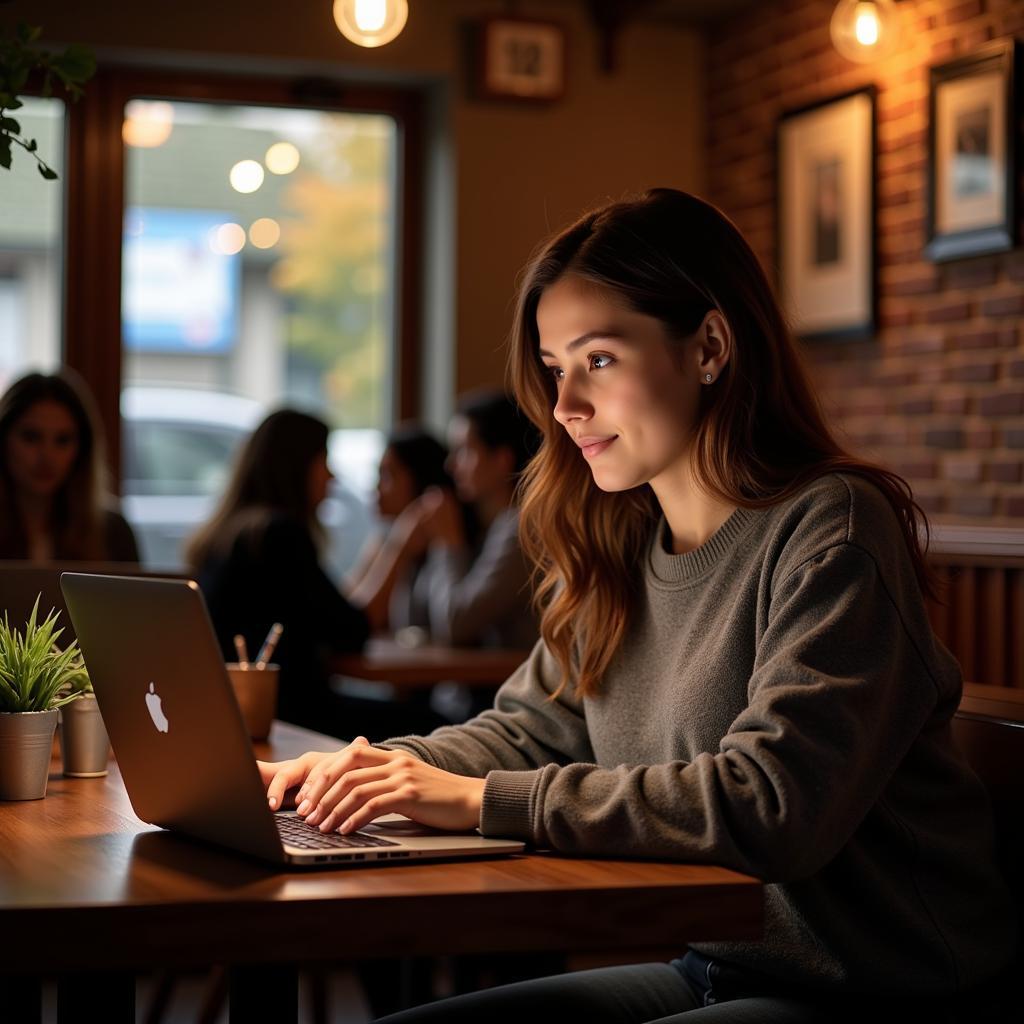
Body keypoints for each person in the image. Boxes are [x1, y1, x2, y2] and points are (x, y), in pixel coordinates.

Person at [259, 189, 1015, 1022]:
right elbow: (529, 729)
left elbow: (772, 806)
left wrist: (477, 801)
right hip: (716, 967)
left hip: (880, 989)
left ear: (710, 348)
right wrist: (362, 772)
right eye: (555, 369)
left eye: (600, 360)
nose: (564, 406)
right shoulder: (619, 542)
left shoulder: (831, 530)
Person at [185, 409, 370, 734]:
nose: (331, 477)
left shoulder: (231, 536)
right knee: (433, 721)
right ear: (298, 466)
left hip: (227, 714)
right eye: (324, 461)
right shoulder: (277, 536)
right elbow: (352, 632)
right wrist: (401, 548)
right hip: (284, 718)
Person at [0, 370, 138, 562]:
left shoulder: (112, 532)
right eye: (31, 437)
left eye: (63, 440)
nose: (47, 456)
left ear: (82, 449)